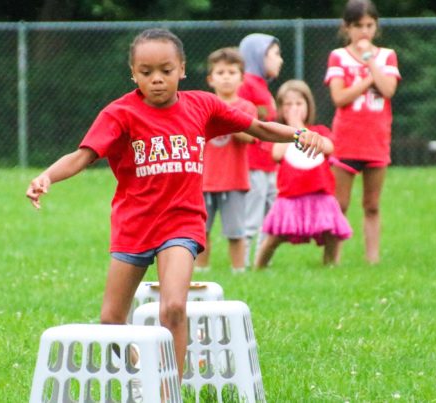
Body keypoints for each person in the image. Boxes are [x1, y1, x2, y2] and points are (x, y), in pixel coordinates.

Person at [25, 28, 326, 385]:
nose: (156, 79)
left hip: (181, 224)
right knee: (110, 321)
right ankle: (144, 373)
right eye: (146, 71)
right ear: (133, 73)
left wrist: (297, 134)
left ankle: (170, 388)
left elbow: (258, 128)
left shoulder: (203, 105)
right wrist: (47, 177)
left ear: (182, 69)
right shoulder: (120, 113)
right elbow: (82, 156)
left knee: (173, 307)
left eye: (165, 71)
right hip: (134, 225)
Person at [324, 0, 401, 264]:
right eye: (358, 26)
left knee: (372, 204)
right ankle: (333, 258)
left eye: (369, 25)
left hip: (376, 139)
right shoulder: (339, 56)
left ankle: (372, 259)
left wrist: (371, 62)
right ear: (347, 28)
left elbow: (389, 89)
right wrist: (369, 79)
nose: (364, 32)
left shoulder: (386, 55)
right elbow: (340, 96)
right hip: (346, 139)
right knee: (339, 204)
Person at [255, 80, 353, 268]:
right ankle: (258, 267)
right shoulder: (278, 134)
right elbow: (277, 154)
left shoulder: (318, 132)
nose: (294, 109)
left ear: (309, 105)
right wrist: (293, 130)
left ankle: (331, 266)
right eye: (288, 105)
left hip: (320, 195)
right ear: (280, 109)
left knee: (331, 234)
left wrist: (300, 127)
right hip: (290, 197)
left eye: (299, 104)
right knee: (275, 237)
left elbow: (328, 147)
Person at [194, 47, 257, 274]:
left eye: (232, 72)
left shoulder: (246, 107)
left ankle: (239, 271)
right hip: (203, 181)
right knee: (200, 230)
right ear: (211, 79)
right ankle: (201, 271)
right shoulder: (202, 105)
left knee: (235, 231)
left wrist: (227, 116)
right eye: (220, 73)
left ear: (242, 78)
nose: (226, 77)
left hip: (234, 180)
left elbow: (250, 136)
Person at [238, 33, 284, 268]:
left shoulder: (261, 86)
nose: (280, 60)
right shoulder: (245, 84)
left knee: (270, 217)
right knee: (251, 218)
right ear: (257, 55)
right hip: (253, 163)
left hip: (268, 164)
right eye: (275, 54)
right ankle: (242, 266)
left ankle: (259, 264)